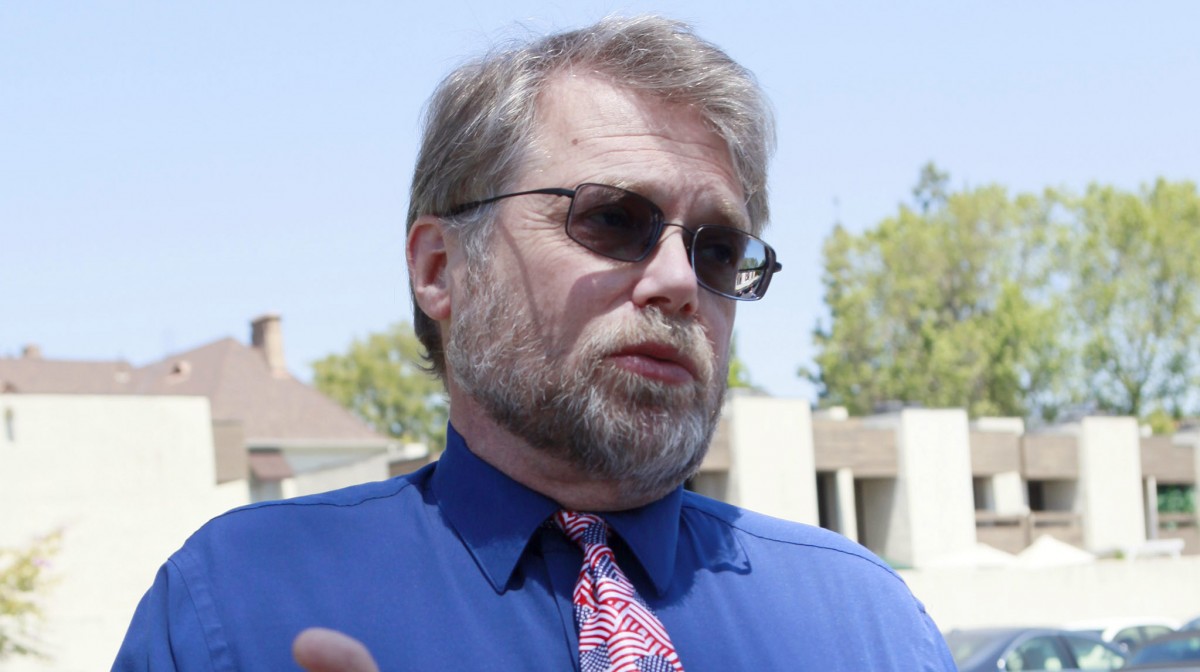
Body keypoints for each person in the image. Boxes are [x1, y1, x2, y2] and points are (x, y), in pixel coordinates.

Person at [114, 15, 955, 671]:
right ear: (441, 267)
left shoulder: (867, 625)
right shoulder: (238, 605)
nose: (676, 282)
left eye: (718, 250)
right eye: (613, 220)